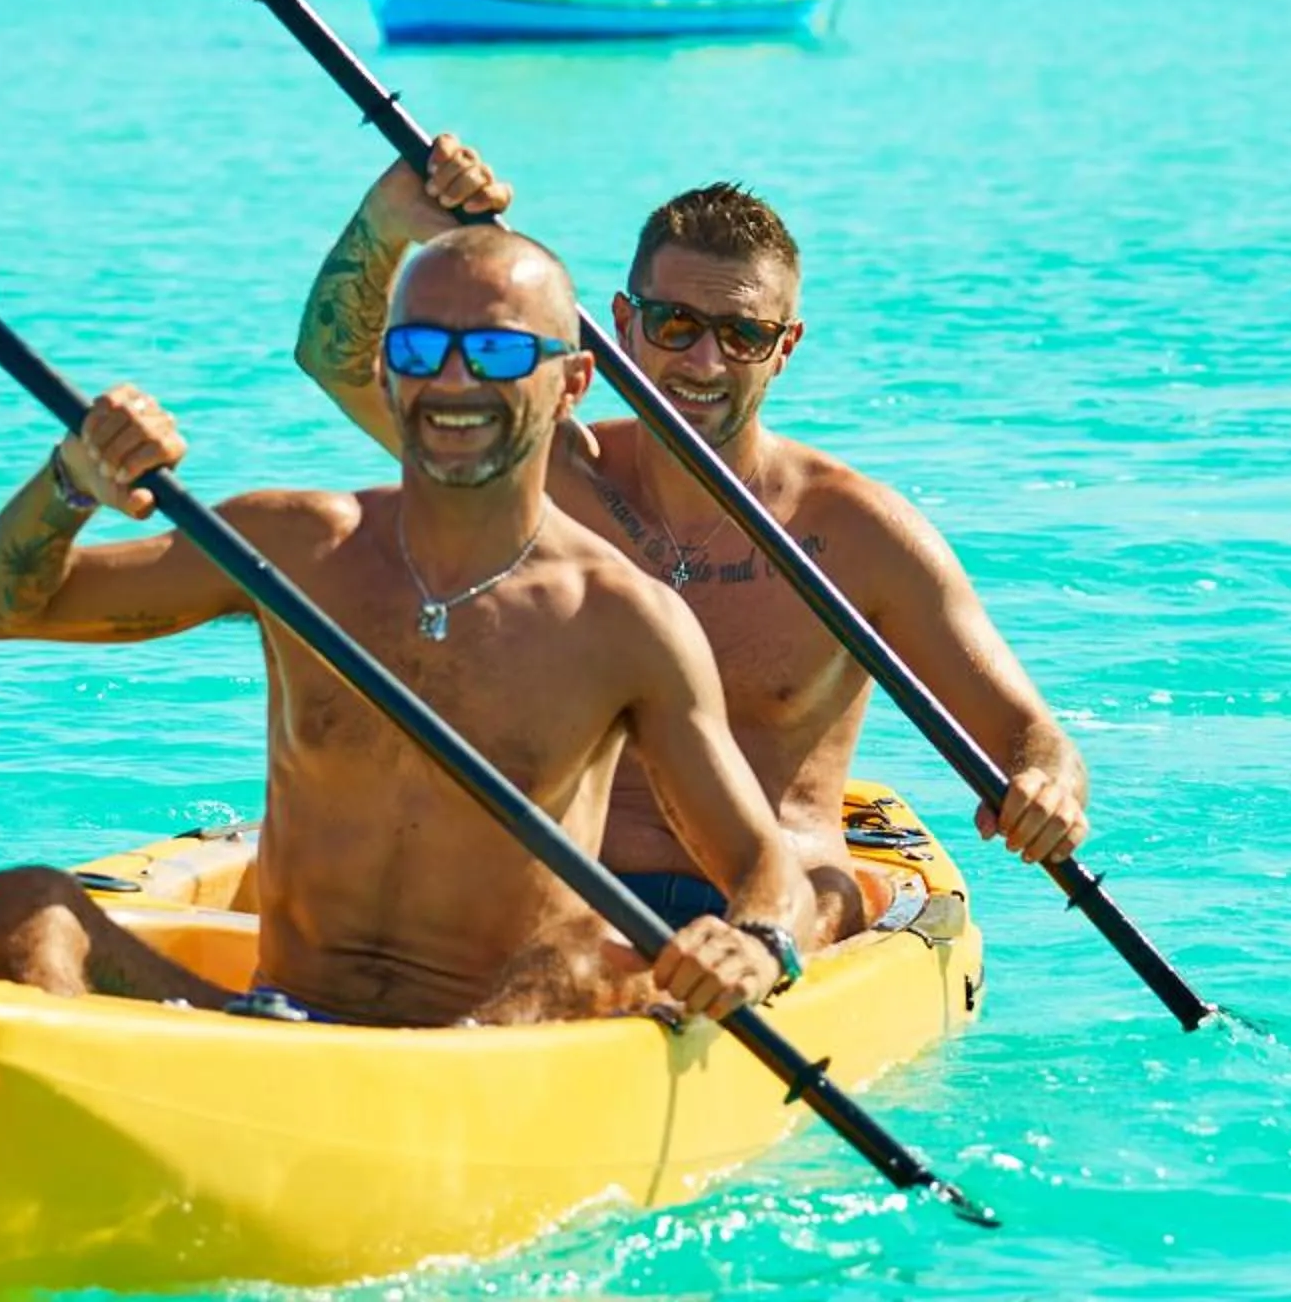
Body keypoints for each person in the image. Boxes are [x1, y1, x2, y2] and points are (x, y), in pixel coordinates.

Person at [0, 225, 811, 1029]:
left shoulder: (623, 619)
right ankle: (113, 1100)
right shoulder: (295, 548)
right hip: (279, 1020)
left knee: (589, 978)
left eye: (500, 351)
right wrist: (72, 482)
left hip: (496, 1043)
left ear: (572, 383)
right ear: (391, 373)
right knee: (21, 908)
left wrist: (755, 944)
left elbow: (762, 869)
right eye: (421, 348)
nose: (455, 381)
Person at [295, 138, 1091, 944]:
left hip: (769, 912)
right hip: (557, 892)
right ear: (621, 326)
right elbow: (336, 358)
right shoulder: (542, 473)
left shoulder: (858, 535)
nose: (704, 360)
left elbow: (1030, 736)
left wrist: (1044, 789)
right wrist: (390, 219)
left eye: (742, 334)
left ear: (785, 349)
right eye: (676, 324)